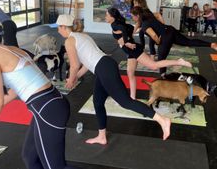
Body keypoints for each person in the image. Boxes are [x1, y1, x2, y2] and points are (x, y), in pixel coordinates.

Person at [0, 16, 77, 169]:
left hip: (47, 109)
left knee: (55, 167)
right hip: (50, 105)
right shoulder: (12, 49)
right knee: (30, 157)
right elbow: (15, 90)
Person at [56, 14, 171, 144]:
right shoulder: (83, 35)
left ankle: (162, 120)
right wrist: (75, 77)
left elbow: (75, 65)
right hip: (104, 66)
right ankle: (102, 136)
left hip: (104, 68)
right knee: (98, 102)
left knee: (125, 102)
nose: (58, 31)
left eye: (58, 28)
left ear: (63, 27)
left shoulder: (70, 40)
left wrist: (71, 80)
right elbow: (88, 64)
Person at [106, 8, 192, 99]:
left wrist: (126, 42)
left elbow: (124, 29)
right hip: (130, 51)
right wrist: (126, 40)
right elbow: (129, 29)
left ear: (112, 17)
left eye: (107, 15)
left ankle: (179, 61)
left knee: (154, 65)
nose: (105, 17)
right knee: (130, 73)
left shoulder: (114, 25)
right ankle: (132, 97)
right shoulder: (119, 24)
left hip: (134, 51)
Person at [130, 6, 217, 75]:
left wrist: (158, 42)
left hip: (165, 37)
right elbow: (157, 14)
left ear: (138, 15)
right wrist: (162, 25)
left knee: (161, 59)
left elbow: (153, 35)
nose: (132, 18)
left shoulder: (145, 25)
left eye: (133, 16)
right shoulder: (148, 14)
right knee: (188, 42)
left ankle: (163, 77)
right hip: (170, 30)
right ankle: (212, 45)